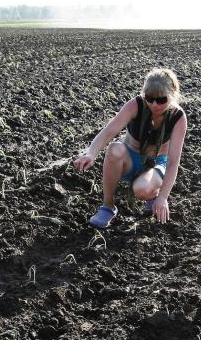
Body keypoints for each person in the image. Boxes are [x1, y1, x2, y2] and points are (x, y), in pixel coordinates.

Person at [74, 67, 187, 228]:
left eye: (161, 100)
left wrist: (163, 197)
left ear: (173, 95)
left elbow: (174, 161)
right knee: (114, 149)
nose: (154, 104)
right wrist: (90, 154)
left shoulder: (178, 117)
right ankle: (107, 207)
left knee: (142, 189)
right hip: (130, 160)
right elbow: (108, 132)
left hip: (155, 164)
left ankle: (151, 195)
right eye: (150, 98)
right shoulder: (136, 105)